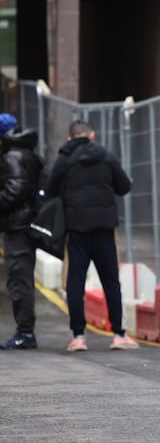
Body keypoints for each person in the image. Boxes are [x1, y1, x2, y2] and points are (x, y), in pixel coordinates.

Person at [46, 119, 139, 352]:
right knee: (111, 281)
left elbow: (50, 189)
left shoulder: (65, 159)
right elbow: (124, 186)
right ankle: (119, 334)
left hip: (77, 229)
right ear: (92, 135)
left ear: (70, 138)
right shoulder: (106, 155)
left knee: (75, 281)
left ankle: (78, 336)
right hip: (105, 229)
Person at [0, 113, 43, 350]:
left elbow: (14, 189)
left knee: (19, 280)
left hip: (18, 226)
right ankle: (25, 331)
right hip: (25, 224)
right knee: (21, 279)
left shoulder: (13, 156)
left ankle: (25, 333)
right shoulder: (25, 152)